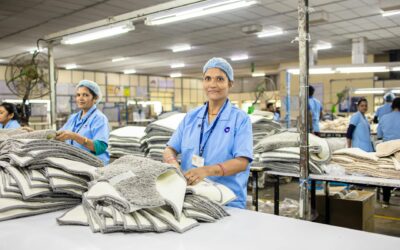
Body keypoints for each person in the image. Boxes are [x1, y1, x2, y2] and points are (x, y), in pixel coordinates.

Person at [163, 57, 253, 209]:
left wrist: (207, 171)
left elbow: (242, 162)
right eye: (208, 78)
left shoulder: (240, 119)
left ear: (230, 83)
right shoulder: (192, 117)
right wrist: (173, 164)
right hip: (192, 196)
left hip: (227, 201)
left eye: (219, 79)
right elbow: (169, 149)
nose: (213, 84)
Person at [56, 80, 110, 165]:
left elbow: (100, 147)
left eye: (85, 95)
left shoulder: (99, 118)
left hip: (95, 165)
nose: (80, 98)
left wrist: (75, 137)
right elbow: (59, 135)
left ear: (95, 98)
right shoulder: (73, 118)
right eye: (78, 95)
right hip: (76, 162)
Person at [377, 97, 400, 207]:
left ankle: (385, 200)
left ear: (392, 106)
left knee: (386, 173)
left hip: (387, 149)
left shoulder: (384, 117)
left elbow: (379, 135)